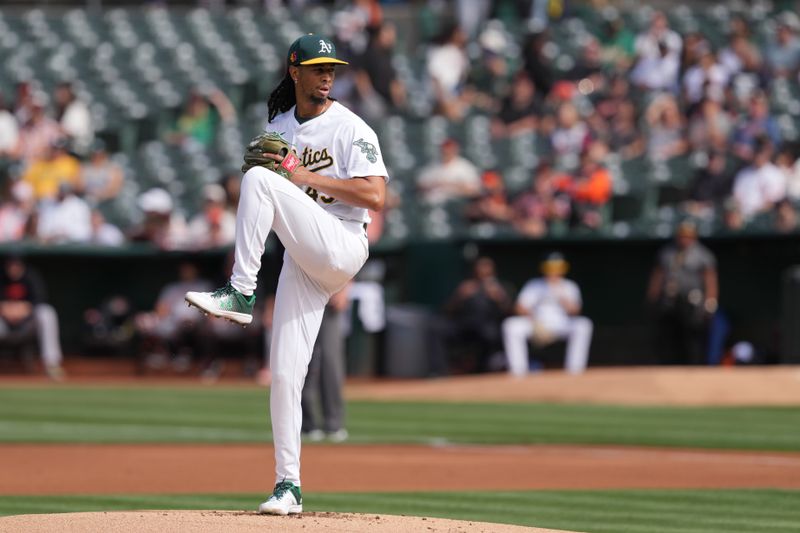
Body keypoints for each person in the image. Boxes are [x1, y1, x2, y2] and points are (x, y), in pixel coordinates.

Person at [184, 34, 388, 516]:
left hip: (341, 242)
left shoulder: (349, 127)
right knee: (283, 374)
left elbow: (376, 197)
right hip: (304, 255)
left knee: (261, 178)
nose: (327, 75)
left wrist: (300, 177)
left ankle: (240, 291)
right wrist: (286, 179)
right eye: (317, 68)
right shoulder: (280, 125)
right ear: (294, 72)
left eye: (331, 68)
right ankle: (288, 487)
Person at [501, 252, 593, 375]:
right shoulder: (534, 285)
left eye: (557, 268)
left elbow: (575, 311)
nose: (553, 272)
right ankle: (518, 371)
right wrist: (533, 320)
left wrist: (563, 298)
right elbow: (519, 307)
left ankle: (575, 370)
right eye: (550, 268)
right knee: (511, 325)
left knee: (583, 324)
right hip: (536, 324)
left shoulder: (569, 286)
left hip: (561, 324)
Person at [646, 220, 718, 365]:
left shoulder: (702, 255)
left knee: (693, 337)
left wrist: (711, 300)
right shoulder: (667, 253)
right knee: (668, 336)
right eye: (682, 235)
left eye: (688, 236)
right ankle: (668, 366)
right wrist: (652, 297)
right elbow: (658, 276)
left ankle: (694, 367)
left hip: (693, 301)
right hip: (670, 301)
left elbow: (710, 279)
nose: (684, 239)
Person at [0, 254, 65, 380]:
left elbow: (39, 300)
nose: (13, 269)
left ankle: (52, 364)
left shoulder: (31, 277)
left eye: (16, 265)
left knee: (47, 312)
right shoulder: (1, 277)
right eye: (10, 266)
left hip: (27, 325)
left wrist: (21, 309)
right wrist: (7, 309)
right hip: (4, 324)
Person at [444, 256, 512, 373]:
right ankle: (444, 369)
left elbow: (510, 311)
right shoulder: (466, 286)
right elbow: (448, 309)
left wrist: (499, 297)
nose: (483, 271)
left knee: (488, 333)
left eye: (486, 267)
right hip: (465, 325)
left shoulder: (501, 287)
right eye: (480, 267)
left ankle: (484, 368)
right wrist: (459, 297)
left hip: (491, 326)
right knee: (443, 329)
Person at [301, 285, 350, 443]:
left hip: (329, 297)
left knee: (331, 361)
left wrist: (344, 288)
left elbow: (350, 260)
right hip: (302, 299)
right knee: (303, 361)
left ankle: (333, 423)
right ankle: (308, 424)